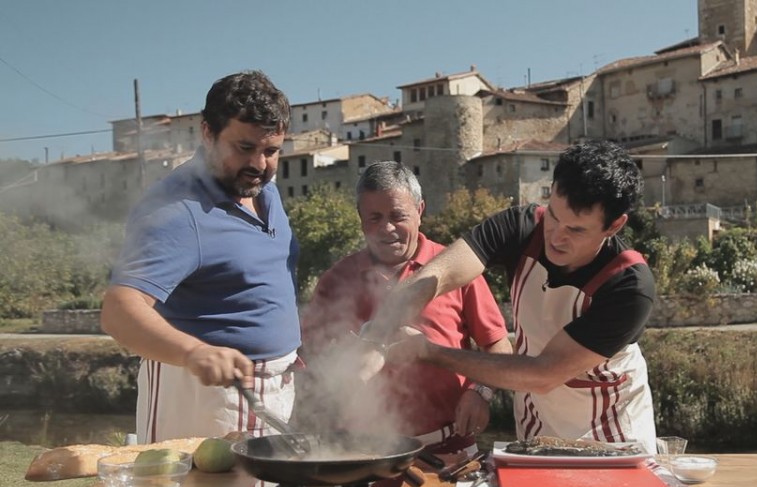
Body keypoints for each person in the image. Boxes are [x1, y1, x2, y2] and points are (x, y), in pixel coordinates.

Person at [360, 140, 658, 452]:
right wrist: (377, 335)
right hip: (536, 426)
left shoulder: (628, 285)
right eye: (553, 215)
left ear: (614, 225)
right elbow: (437, 276)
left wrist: (428, 351)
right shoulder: (519, 227)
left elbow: (544, 374)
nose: (556, 237)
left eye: (576, 230)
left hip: (611, 436)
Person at [101, 70, 301, 444]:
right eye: (244, 147)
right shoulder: (176, 210)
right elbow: (118, 309)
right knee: (194, 485)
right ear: (207, 133)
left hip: (268, 393)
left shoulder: (263, 191)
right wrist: (194, 352)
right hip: (201, 397)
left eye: (271, 151)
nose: (259, 164)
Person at [299, 161, 512, 456]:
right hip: (361, 452)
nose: (386, 228)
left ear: (420, 210)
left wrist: (481, 391)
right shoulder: (336, 280)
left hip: (450, 449)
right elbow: (310, 356)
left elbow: (499, 346)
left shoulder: (457, 268)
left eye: (397, 216)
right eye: (374, 218)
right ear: (360, 218)